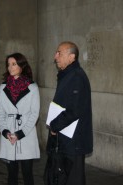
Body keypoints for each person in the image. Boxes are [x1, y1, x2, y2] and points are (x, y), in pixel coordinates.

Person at [46, 41, 93, 185]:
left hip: (73, 143)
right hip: (64, 141)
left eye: (59, 53)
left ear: (72, 57)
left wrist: (54, 125)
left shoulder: (76, 76)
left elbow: (74, 110)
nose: (55, 57)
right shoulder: (67, 75)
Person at [0, 53, 40, 185]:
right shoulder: (3, 88)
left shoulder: (32, 87)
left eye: (14, 64)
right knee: (11, 174)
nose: (10, 67)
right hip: (9, 134)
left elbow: (34, 114)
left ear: (22, 66)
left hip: (26, 134)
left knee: (27, 174)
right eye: (8, 64)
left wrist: (20, 133)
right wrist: (5, 131)